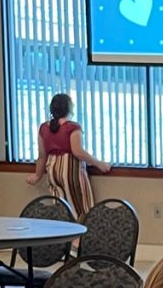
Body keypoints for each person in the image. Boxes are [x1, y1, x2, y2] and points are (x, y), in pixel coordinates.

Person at [27, 92, 109, 220]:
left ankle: (65, 232)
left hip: (53, 170)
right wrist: (99, 163)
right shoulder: (72, 127)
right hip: (70, 170)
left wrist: (37, 175)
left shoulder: (44, 128)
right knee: (82, 208)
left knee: (61, 208)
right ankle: (80, 232)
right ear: (69, 108)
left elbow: (42, 156)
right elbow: (78, 151)